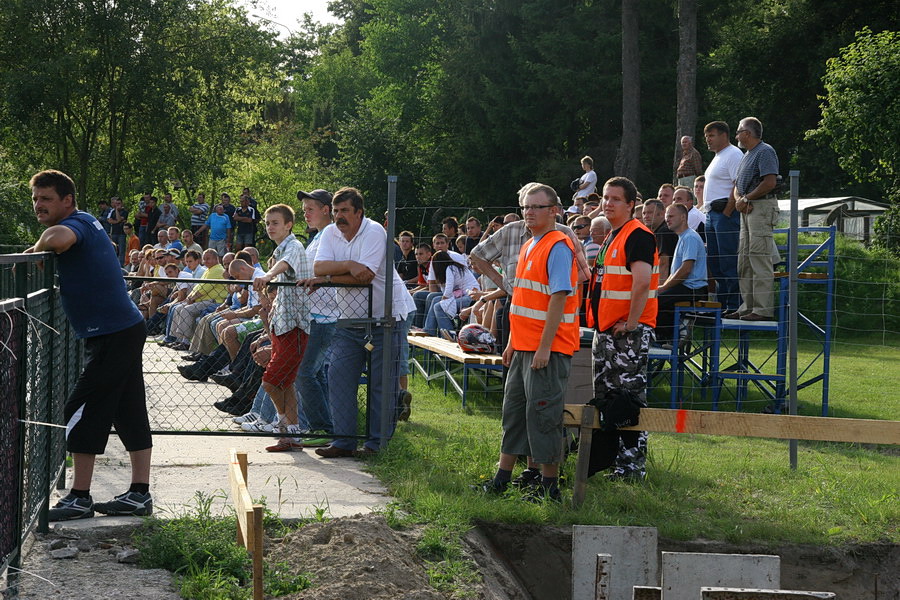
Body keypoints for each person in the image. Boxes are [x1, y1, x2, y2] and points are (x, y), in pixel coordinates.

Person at [26, 170, 153, 521]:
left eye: (46, 198)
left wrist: (38, 246)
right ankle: (139, 495)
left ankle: (79, 497)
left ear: (67, 200)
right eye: (36, 198)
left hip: (114, 333)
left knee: (80, 408)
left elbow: (59, 238)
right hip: (120, 329)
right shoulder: (90, 222)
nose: (39, 205)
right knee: (127, 410)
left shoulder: (77, 223)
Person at [476, 183, 579, 502]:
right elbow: (521, 300)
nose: (529, 213)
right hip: (522, 347)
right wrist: (512, 344)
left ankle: (549, 487)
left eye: (537, 207)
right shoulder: (529, 245)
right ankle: (501, 479)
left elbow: (558, 298)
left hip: (548, 348)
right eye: (525, 207)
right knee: (514, 412)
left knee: (544, 414)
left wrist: (544, 347)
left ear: (554, 211)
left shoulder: (558, 246)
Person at [312, 187, 416, 457]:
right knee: (338, 377)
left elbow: (365, 276)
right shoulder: (331, 233)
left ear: (359, 212)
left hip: (386, 317)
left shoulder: (374, 232)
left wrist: (327, 278)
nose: (338, 217)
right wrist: (347, 263)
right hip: (349, 319)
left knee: (382, 383)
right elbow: (318, 267)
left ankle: (376, 444)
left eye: (345, 211)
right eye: (335, 211)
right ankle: (343, 441)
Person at [586, 176, 659, 481]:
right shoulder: (611, 237)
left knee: (628, 400)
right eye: (606, 197)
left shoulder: (638, 235)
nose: (608, 203)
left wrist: (629, 323)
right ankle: (615, 464)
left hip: (627, 333)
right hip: (607, 332)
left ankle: (632, 469)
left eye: (616, 199)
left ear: (631, 205)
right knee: (608, 399)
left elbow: (642, 282)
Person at [252, 204, 312, 451]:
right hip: (281, 325)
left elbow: (284, 265)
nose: (270, 227)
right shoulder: (279, 250)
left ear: (289, 225)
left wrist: (267, 275)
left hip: (295, 327)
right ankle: (291, 434)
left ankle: (282, 424)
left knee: (270, 381)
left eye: (275, 222)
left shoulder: (294, 247)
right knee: (285, 383)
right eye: (267, 223)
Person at [732, 116, 780, 321]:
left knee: (759, 258)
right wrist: (739, 200)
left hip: (760, 208)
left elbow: (770, 182)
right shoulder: (748, 154)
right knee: (744, 260)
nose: (737, 135)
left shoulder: (765, 151)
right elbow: (738, 184)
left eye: (738, 131)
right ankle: (747, 306)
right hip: (747, 209)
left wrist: (746, 198)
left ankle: (762, 310)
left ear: (747, 133)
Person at [702, 120, 744, 315]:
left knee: (728, 260)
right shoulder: (718, 157)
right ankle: (723, 303)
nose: (708, 140)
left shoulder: (734, 154)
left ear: (724, 135)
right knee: (715, 263)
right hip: (712, 214)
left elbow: (738, 184)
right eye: (706, 137)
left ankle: (734, 305)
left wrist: (728, 210)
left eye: (711, 135)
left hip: (724, 214)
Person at [655, 203, 708, 343]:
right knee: (656, 298)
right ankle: (670, 334)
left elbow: (685, 270)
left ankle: (670, 337)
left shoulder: (689, 237)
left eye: (671, 216)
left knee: (656, 300)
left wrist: (664, 287)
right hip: (686, 286)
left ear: (683, 217)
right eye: (667, 217)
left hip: (693, 288)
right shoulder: (683, 237)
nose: (667, 219)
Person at [423, 250, 480, 336]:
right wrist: (444, 297)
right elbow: (445, 289)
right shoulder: (453, 267)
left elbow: (449, 287)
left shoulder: (451, 268)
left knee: (439, 306)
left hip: (470, 296)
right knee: (435, 299)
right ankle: (429, 329)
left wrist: (444, 298)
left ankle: (448, 334)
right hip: (462, 295)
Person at [641, 199, 677, 282]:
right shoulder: (659, 231)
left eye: (650, 212)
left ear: (661, 214)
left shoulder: (663, 232)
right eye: (644, 213)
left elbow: (664, 263)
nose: (646, 216)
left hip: (669, 282)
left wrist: (659, 289)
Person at [108, 197, 129, 264]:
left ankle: (121, 265)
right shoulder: (112, 212)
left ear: (122, 203)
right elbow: (109, 220)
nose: (117, 205)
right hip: (114, 233)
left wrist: (117, 211)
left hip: (121, 233)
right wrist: (117, 221)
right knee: (113, 250)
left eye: (119, 203)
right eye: (116, 204)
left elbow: (119, 218)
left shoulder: (125, 212)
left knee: (121, 251)